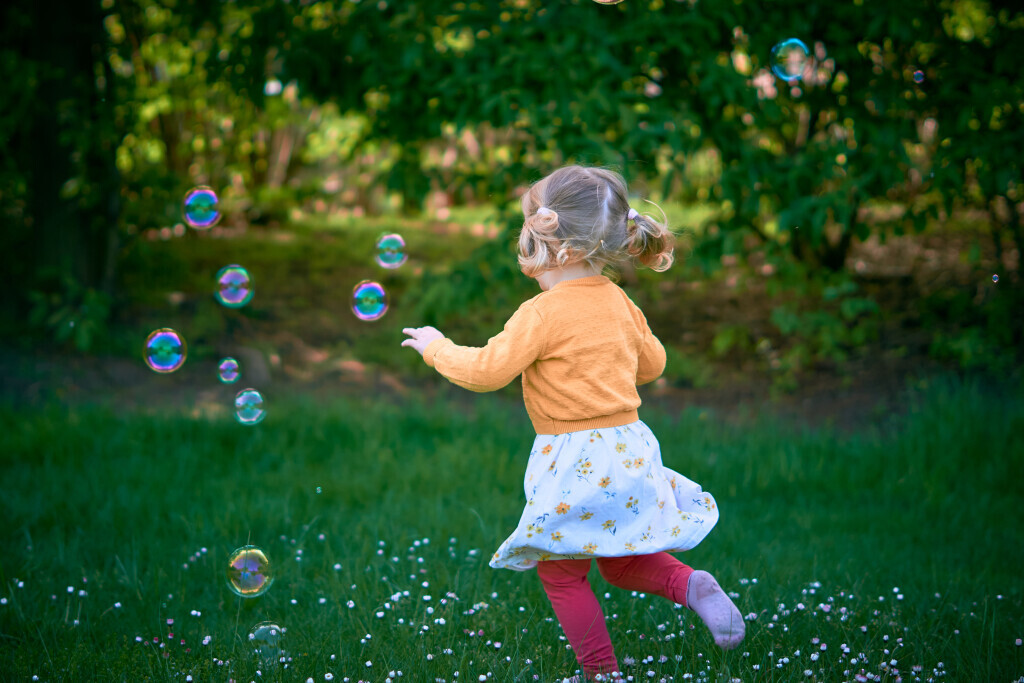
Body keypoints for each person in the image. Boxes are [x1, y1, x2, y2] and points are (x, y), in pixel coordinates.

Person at [401, 166, 744, 681]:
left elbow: (486, 371)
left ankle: (601, 672)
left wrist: (436, 349)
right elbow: (652, 365)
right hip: (630, 451)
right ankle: (691, 585)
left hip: (573, 458)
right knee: (623, 560)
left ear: (548, 243)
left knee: (562, 572)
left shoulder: (540, 314)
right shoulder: (619, 300)